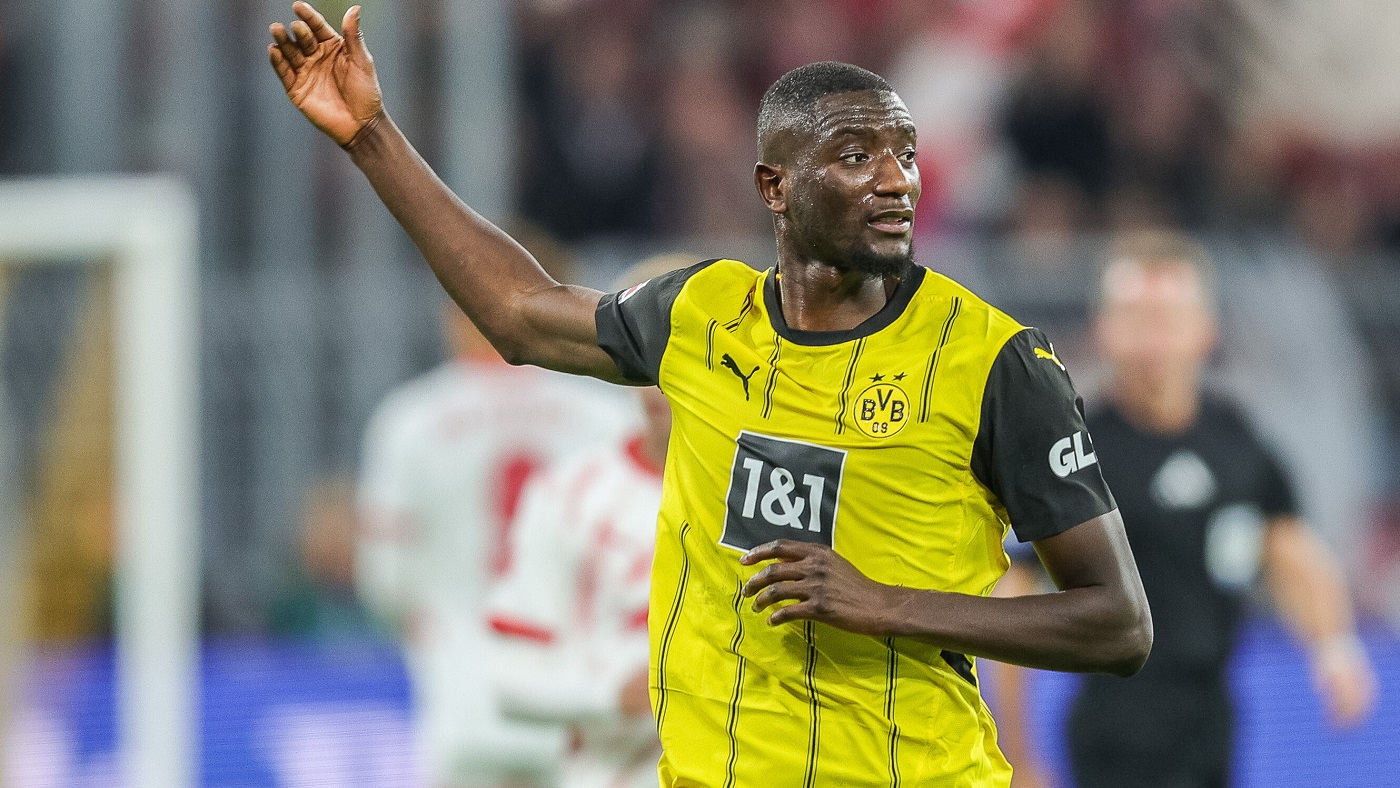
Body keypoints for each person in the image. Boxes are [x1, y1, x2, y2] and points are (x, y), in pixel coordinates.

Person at [269, 6, 1153, 785]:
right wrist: (371, 136)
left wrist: (883, 604)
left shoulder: (995, 362)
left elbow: (1117, 625)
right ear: (775, 186)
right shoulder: (701, 314)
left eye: (907, 155)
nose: (897, 180)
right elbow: (520, 314)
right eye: (856, 156)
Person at [989, 231, 1377, 788]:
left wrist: (1333, 647)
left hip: (1211, 719)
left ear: (1206, 329)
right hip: (1116, 728)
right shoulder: (1075, 451)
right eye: (1135, 318)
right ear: (1103, 329)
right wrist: (1018, 751)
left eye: (1167, 318)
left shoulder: (1234, 439)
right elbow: (1016, 589)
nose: (1152, 338)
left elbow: (1287, 545)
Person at [356, 293, 634, 785]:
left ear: (455, 312)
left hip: (462, 691)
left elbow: (385, 578)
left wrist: (430, 629)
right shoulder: (604, 413)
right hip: (575, 703)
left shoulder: (411, 418)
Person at [485, 257, 685, 788]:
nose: (656, 380)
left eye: (679, 350)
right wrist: (616, 692)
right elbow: (511, 678)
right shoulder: (568, 495)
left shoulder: (776, 490)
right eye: (643, 349)